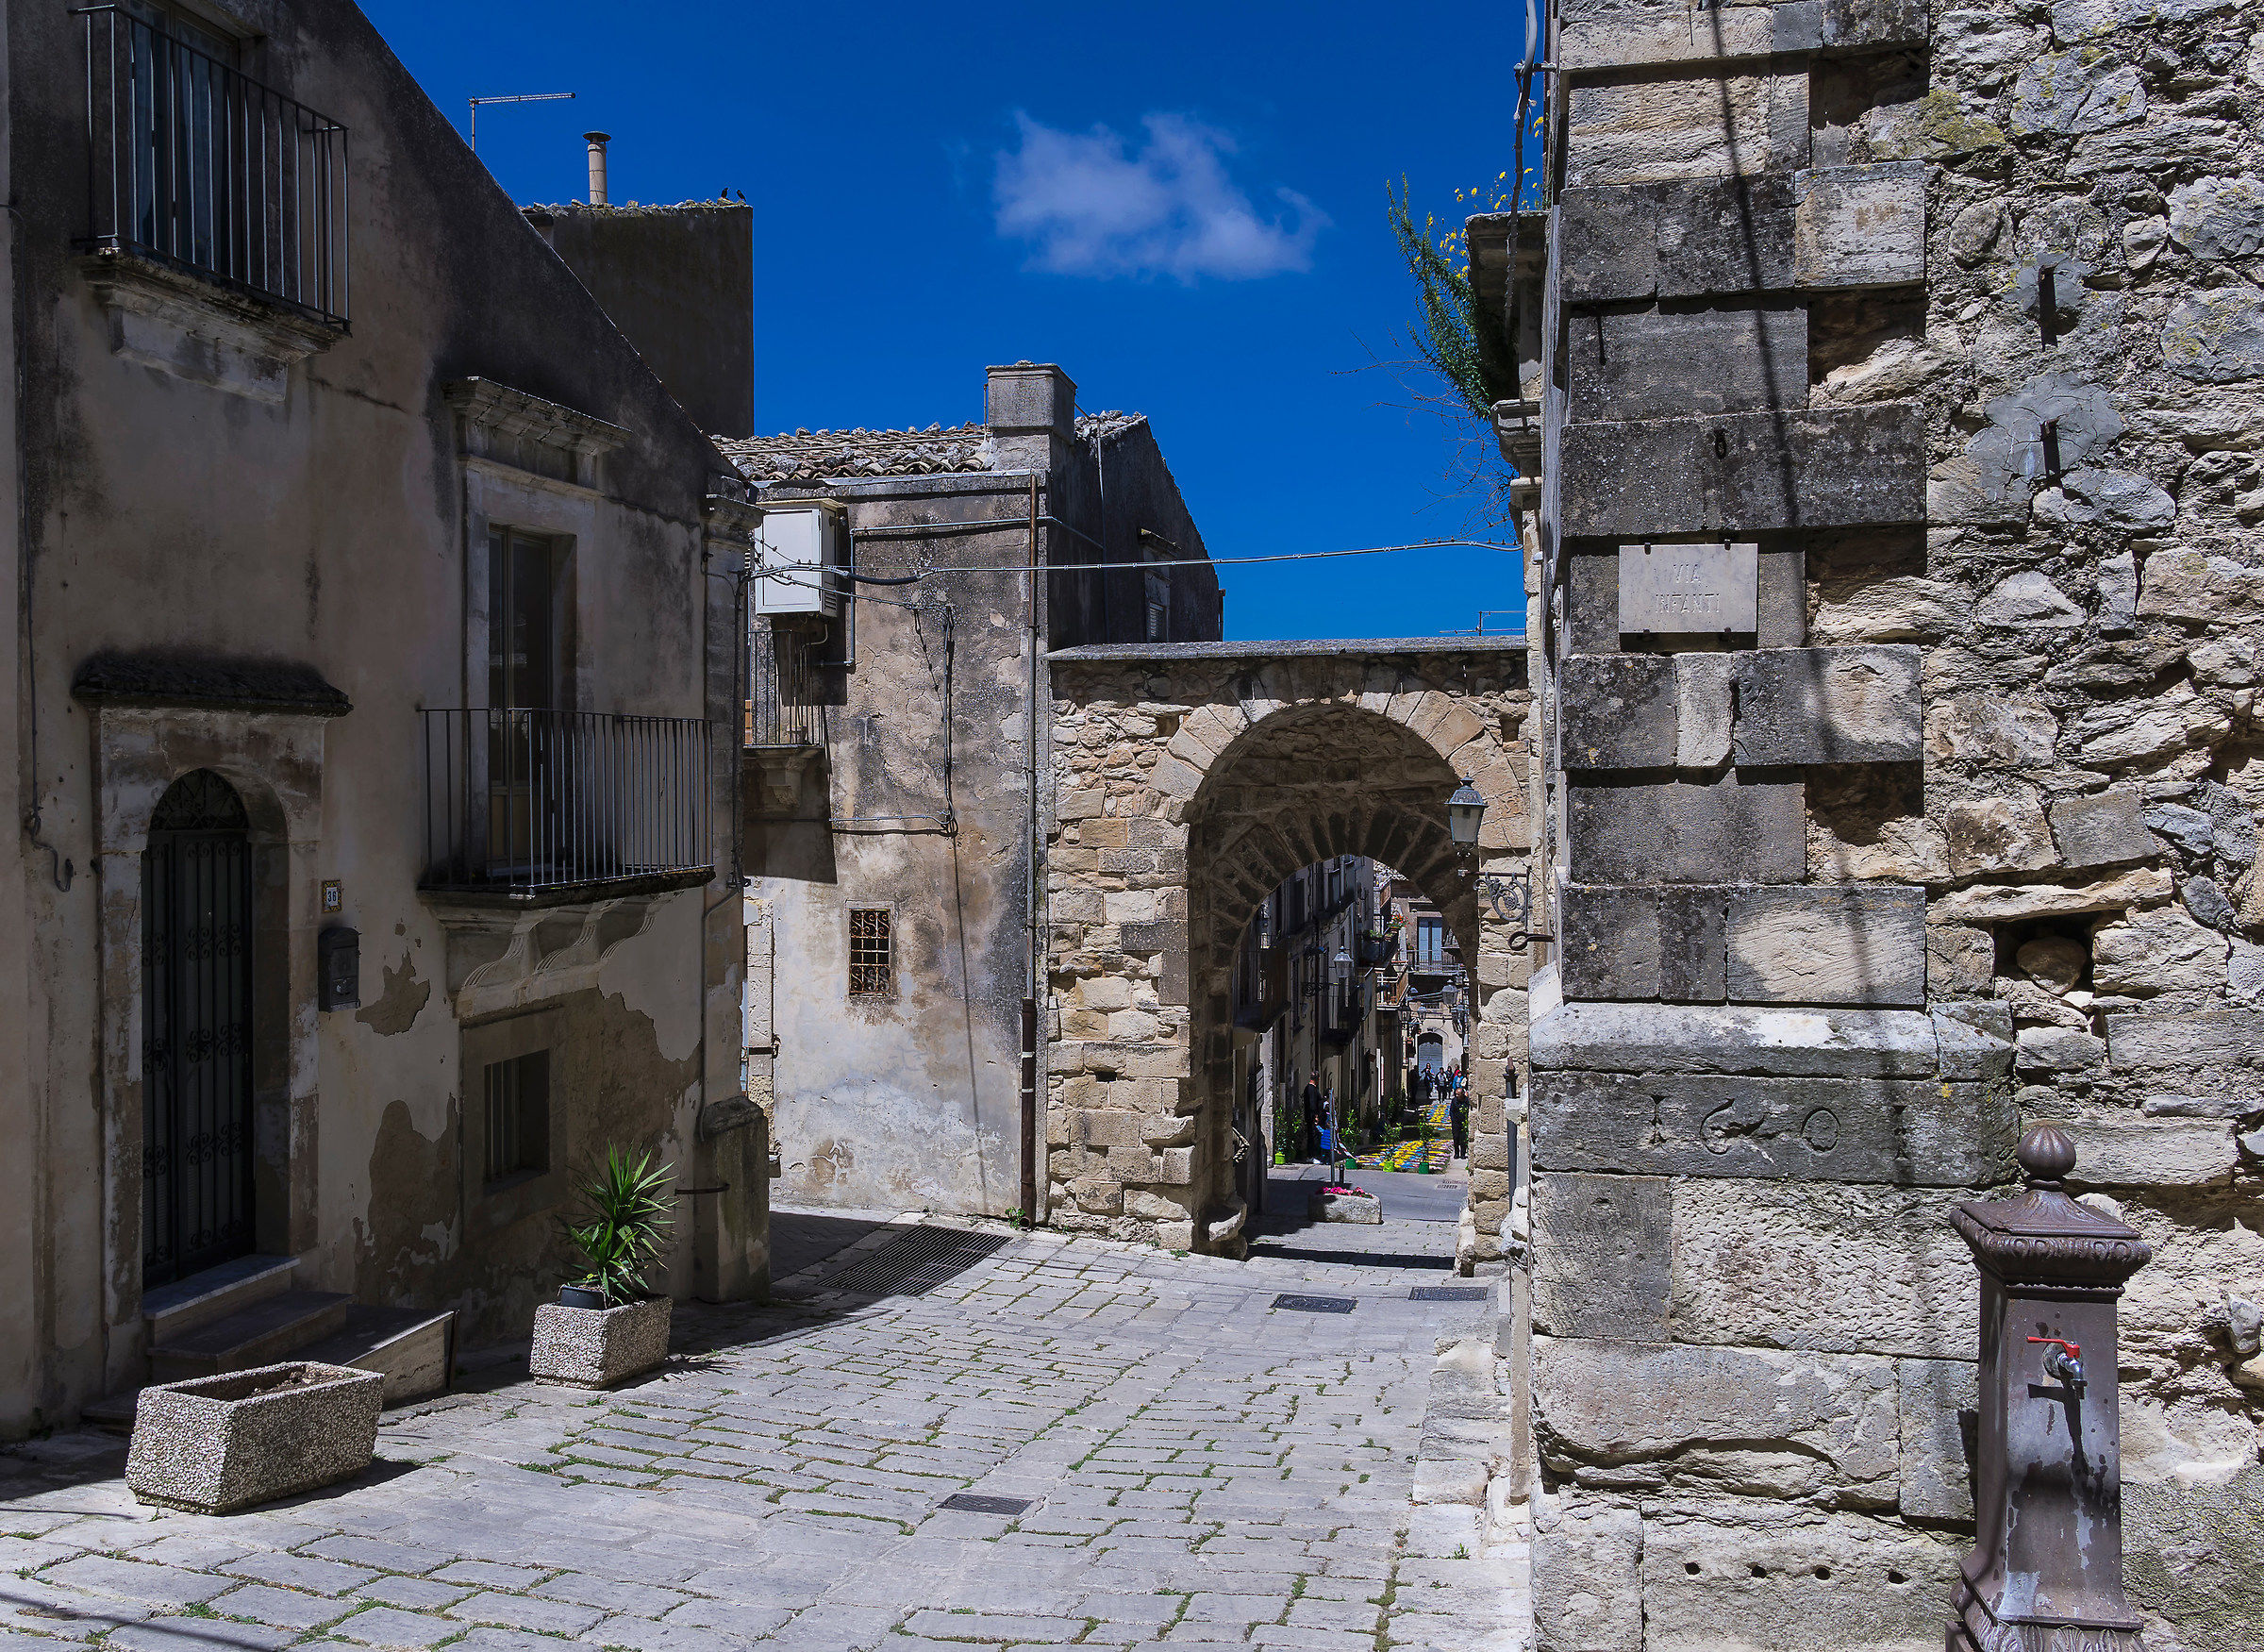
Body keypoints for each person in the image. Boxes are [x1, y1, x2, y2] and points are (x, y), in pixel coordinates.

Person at [1301, 1076, 1323, 1162]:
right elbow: (1313, 1103)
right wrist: (1316, 1116)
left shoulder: (1308, 1088)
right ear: (1317, 1079)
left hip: (1309, 1116)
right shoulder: (1312, 1089)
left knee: (1311, 1136)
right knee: (1314, 1137)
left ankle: (1311, 1156)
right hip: (1312, 1117)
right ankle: (1313, 1156)